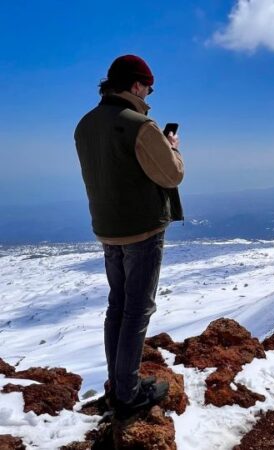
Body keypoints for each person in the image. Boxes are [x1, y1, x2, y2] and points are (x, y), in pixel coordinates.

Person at [74, 54, 184, 419]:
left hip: (107, 228)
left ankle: (117, 385)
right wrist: (172, 147)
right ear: (136, 85)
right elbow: (171, 176)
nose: (150, 93)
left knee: (117, 307)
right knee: (137, 310)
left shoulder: (85, 124)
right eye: (149, 86)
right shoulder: (141, 125)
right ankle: (128, 392)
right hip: (143, 228)